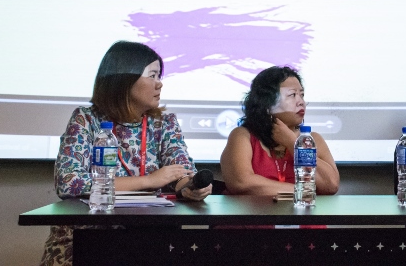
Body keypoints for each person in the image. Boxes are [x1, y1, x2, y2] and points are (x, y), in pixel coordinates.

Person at [40, 41, 211, 266]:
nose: (159, 84)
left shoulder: (164, 123)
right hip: (89, 235)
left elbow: (180, 170)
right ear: (125, 79)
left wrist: (190, 186)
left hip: (150, 234)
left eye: (160, 76)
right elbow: (69, 183)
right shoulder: (86, 119)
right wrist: (148, 181)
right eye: (152, 75)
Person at [220, 65, 339, 195]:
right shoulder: (243, 136)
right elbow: (241, 183)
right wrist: (301, 191)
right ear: (267, 104)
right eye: (292, 95)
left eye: (302, 95)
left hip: (302, 215)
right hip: (255, 214)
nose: (301, 102)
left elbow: (331, 185)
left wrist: (294, 144)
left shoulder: (313, 139)